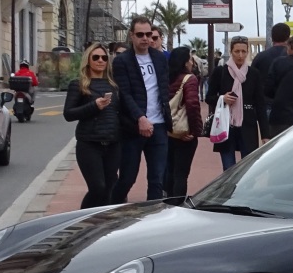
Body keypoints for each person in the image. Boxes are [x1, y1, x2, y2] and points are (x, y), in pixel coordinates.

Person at [111, 16, 171, 202]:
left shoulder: (160, 59)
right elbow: (124, 94)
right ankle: (114, 210)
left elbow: (163, 88)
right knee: (127, 178)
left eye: (149, 35)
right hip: (133, 128)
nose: (145, 39)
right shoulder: (122, 61)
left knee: (157, 180)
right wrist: (140, 117)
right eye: (140, 35)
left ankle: (152, 218)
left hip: (159, 126)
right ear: (132, 35)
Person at [62, 43, 120, 208]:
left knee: (109, 188)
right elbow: (69, 114)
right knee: (97, 188)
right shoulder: (78, 84)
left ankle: (102, 227)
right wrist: (94, 106)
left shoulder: (114, 85)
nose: (100, 61)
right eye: (96, 57)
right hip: (89, 144)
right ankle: (82, 222)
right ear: (88, 60)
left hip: (113, 143)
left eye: (104, 58)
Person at [204, 35, 271, 170]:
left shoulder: (253, 74)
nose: (240, 55)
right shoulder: (220, 72)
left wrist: (265, 135)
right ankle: (230, 192)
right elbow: (209, 97)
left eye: (243, 51)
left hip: (248, 126)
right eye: (237, 51)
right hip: (226, 125)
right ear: (231, 51)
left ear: (247, 52)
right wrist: (222, 98)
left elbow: (260, 104)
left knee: (248, 170)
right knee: (228, 170)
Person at [163, 46, 203, 199]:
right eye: (190, 59)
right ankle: (178, 204)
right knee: (181, 174)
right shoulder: (189, 79)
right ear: (186, 62)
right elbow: (192, 105)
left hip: (168, 131)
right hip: (184, 132)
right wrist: (194, 131)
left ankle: (168, 200)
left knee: (170, 170)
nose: (192, 62)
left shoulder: (166, 77)